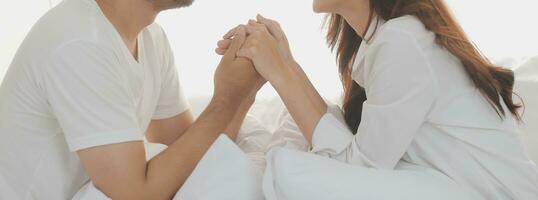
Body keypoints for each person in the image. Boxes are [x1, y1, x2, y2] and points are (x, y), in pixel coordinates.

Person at [216, 0, 538, 199]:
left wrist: (280, 72)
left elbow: (359, 168)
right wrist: (285, 61)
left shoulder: (403, 41)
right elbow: (360, 147)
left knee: (290, 161)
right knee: (293, 128)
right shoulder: (385, 41)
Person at [0, 0, 265, 199]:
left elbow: (188, 151)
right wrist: (228, 97)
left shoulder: (151, 37)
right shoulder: (80, 42)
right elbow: (136, 194)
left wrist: (245, 92)